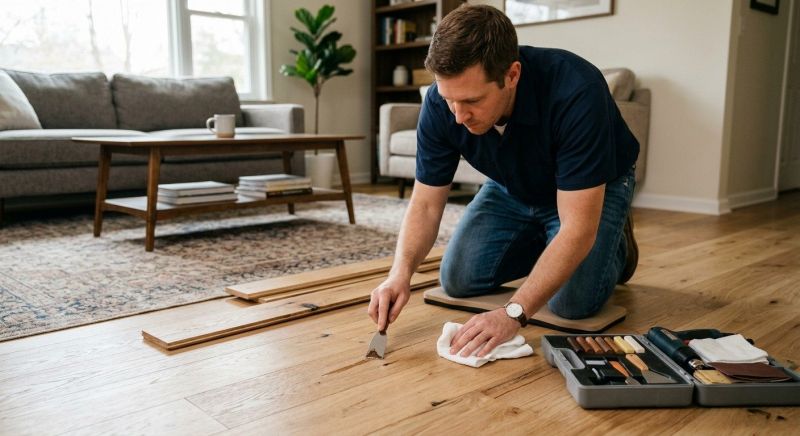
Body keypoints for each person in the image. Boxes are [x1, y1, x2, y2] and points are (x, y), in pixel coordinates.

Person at [367, 4, 639, 359]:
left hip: (591, 188)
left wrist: (514, 311)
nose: (459, 116)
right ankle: (548, 244)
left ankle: (615, 242)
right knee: (457, 279)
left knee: (572, 302)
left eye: (472, 101)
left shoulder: (577, 89)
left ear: (512, 75)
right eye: (449, 100)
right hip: (511, 184)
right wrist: (399, 273)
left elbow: (577, 227)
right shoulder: (441, 103)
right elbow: (426, 203)